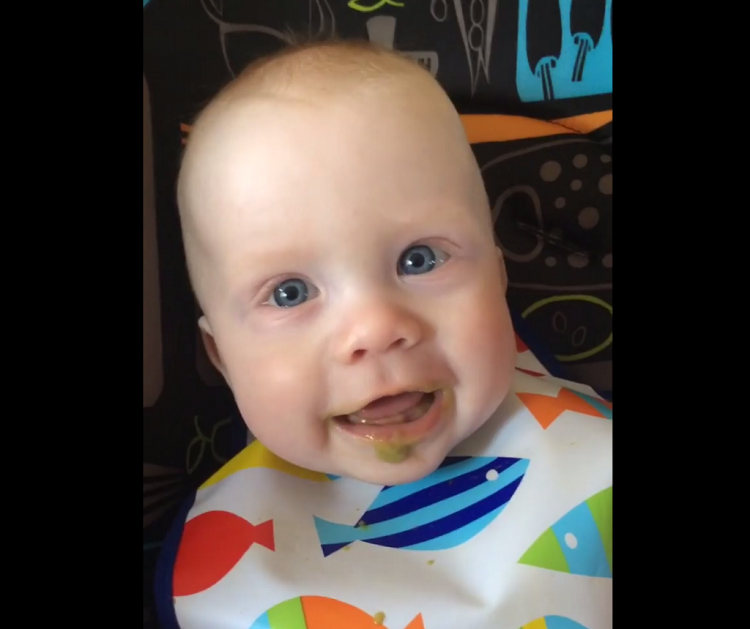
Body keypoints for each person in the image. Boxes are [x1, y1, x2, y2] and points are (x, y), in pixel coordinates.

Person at [157, 38, 612, 629]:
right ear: (221, 356)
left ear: (497, 274)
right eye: (289, 293)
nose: (375, 329)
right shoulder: (228, 564)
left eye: (420, 259)